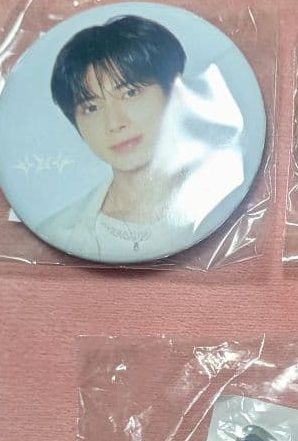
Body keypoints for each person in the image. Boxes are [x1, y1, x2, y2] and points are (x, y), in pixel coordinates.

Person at [39, 15, 241, 262]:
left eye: (131, 93)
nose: (114, 123)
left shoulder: (229, 199)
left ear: (175, 94)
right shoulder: (56, 232)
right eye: (91, 108)